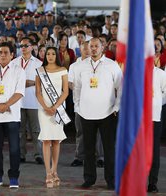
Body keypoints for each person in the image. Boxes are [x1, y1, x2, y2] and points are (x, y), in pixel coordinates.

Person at [74, 38, 122, 189]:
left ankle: (111, 180)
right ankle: (89, 179)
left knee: (109, 149)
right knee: (88, 149)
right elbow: (76, 88)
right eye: (91, 46)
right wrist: (77, 107)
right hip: (86, 113)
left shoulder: (112, 65)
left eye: (96, 46)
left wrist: (116, 107)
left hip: (108, 113)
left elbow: (121, 87)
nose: (93, 49)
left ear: (103, 47)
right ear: (87, 48)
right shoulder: (81, 66)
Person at [0, 42, 26, 188]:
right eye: (0, 52)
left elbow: (19, 92)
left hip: (12, 116)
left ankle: (14, 177)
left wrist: (6, 105)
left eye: (6, 52)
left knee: (14, 148)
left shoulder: (18, 70)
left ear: (12, 55)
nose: (2, 55)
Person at [35, 47, 69, 188]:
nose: (50, 56)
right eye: (48, 54)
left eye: (53, 54)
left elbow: (65, 91)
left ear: (57, 55)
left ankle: (55, 170)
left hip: (58, 108)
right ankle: (48, 172)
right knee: (46, 139)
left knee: (56, 140)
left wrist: (55, 107)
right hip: (44, 109)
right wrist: (46, 107)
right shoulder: (40, 71)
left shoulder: (63, 70)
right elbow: (38, 92)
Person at [11, 37, 43, 164]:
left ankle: (38, 154)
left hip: (33, 101)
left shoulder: (39, 63)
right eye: (21, 46)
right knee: (20, 130)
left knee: (35, 130)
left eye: (26, 45)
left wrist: (28, 83)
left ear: (31, 47)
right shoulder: (14, 62)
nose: (23, 48)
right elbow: (11, 81)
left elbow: (41, 81)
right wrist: (28, 82)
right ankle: (21, 154)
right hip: (17, 101)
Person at [147, 65, 166, 193]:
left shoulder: (160, 73)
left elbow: (165, 93)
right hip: (137, 119)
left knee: (154, 150)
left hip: (154, 117)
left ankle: (152, 182)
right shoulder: (134, 72)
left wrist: (156, 103)